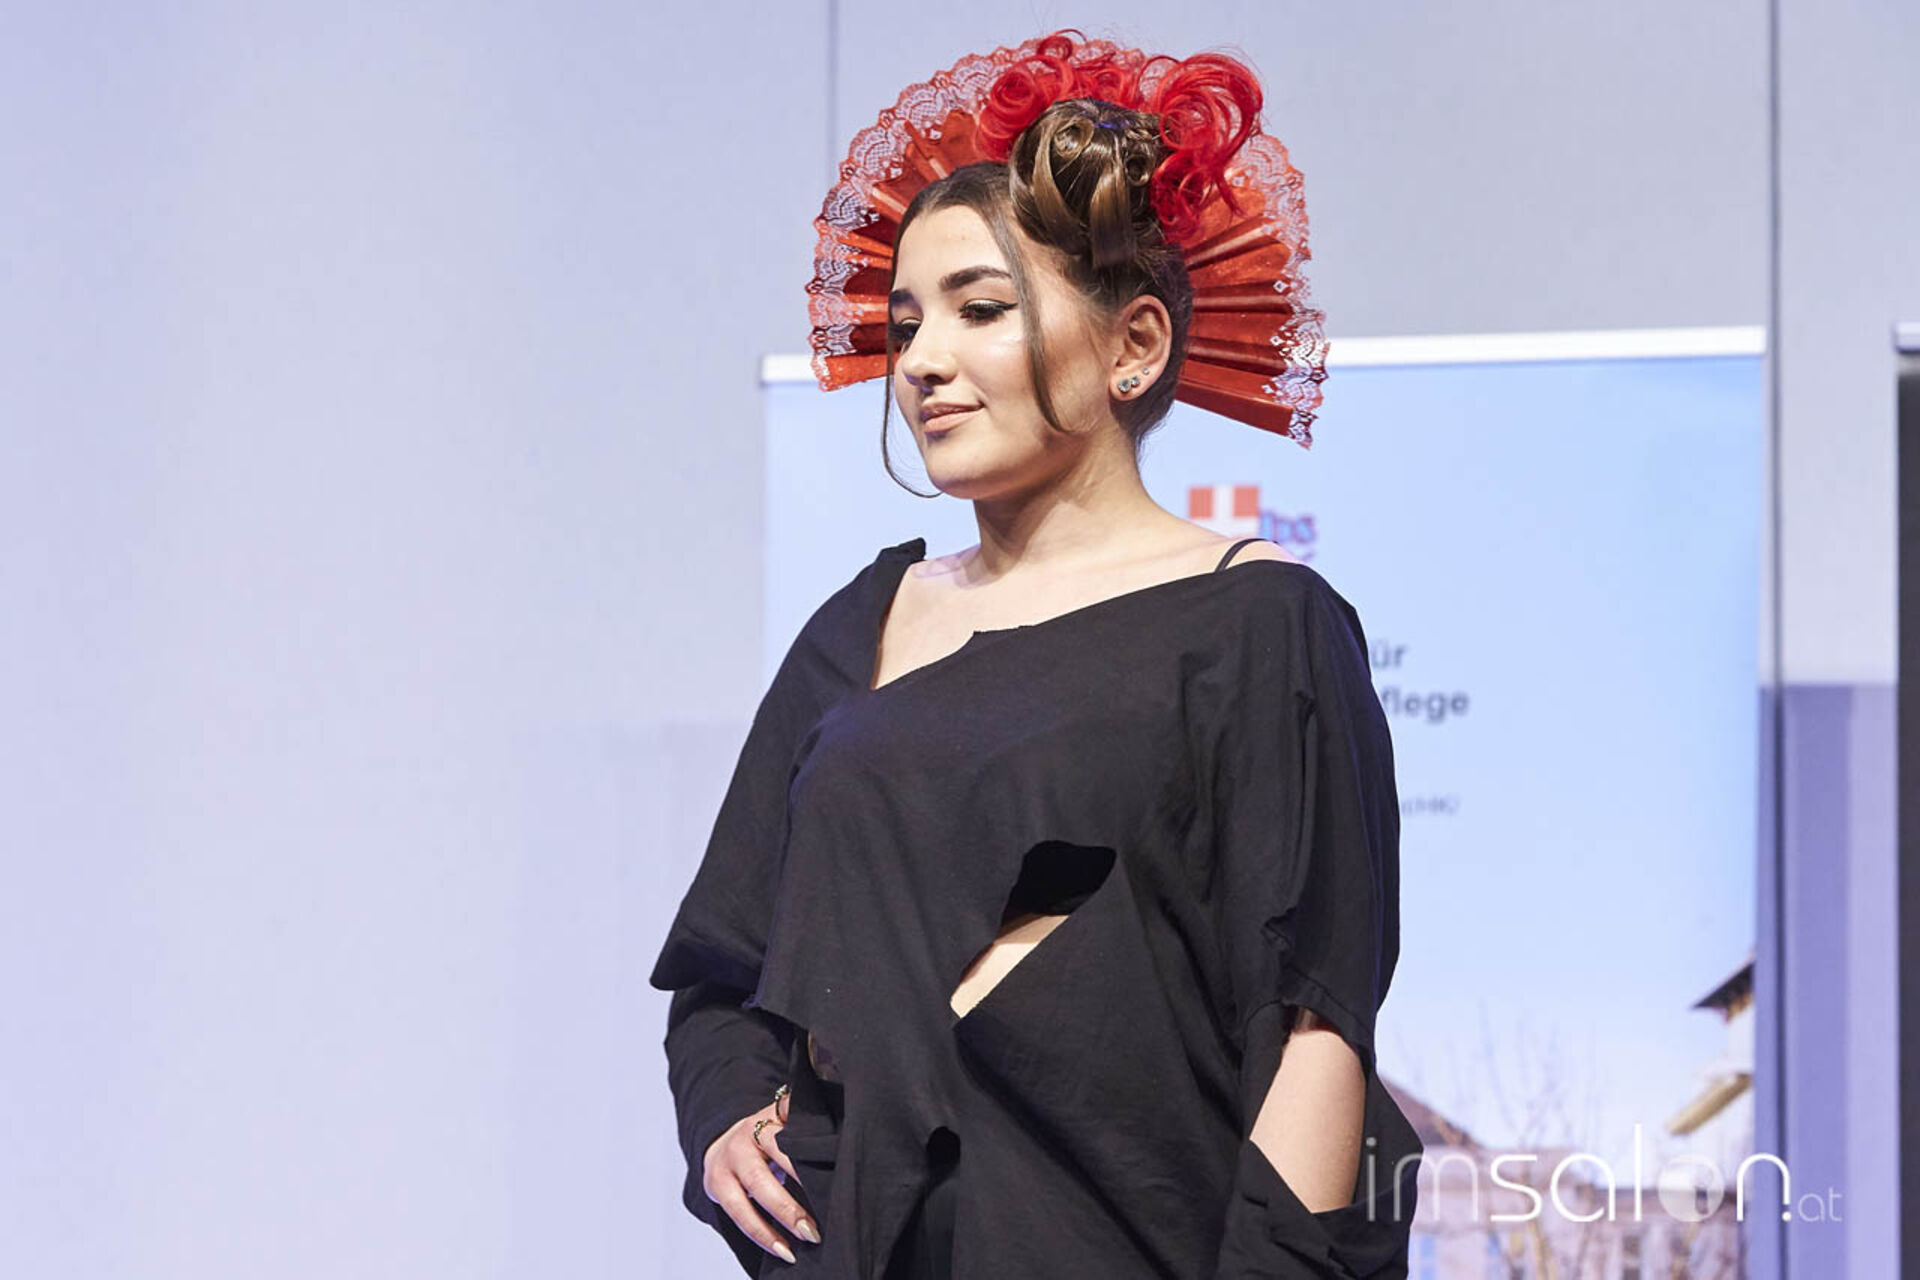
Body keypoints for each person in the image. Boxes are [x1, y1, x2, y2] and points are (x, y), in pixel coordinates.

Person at [649, 29, 1423, 1279]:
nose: (922, 361)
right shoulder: (863, 625)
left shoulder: (1257, 624)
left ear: (1135, 346)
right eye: (906, 323)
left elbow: (1313, 1023)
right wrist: (728, 1117)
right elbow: (721, 964)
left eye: (982, 309)